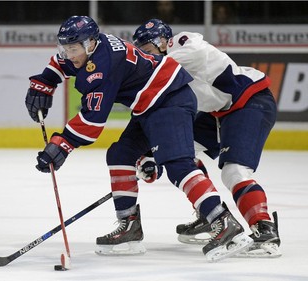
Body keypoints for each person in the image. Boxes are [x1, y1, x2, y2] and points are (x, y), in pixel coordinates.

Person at [24, 15, 253, 262]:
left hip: (170, 99)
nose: (69, 54)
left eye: (73, 48)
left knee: (177, 164)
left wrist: (62, 145)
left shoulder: (103, 66)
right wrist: (44, 82)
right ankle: (129, 227)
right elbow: (60, 63)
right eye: (66, 48)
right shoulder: (89, 49)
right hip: (149, 105)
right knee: (120, 154)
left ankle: (223, 221)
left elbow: (92, 122)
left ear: (90, 44)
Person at [132, 19, 281, 258]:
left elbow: (194, 49)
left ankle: (264, 228)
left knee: (234, 172)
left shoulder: (182, 42)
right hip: (219, 113)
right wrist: (152, 157)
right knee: (179, 153)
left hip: (249, 102)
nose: (147, 59)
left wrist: (153, 64)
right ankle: (208, 214)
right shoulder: (161, 74)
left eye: (148, 52)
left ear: (163, 42)